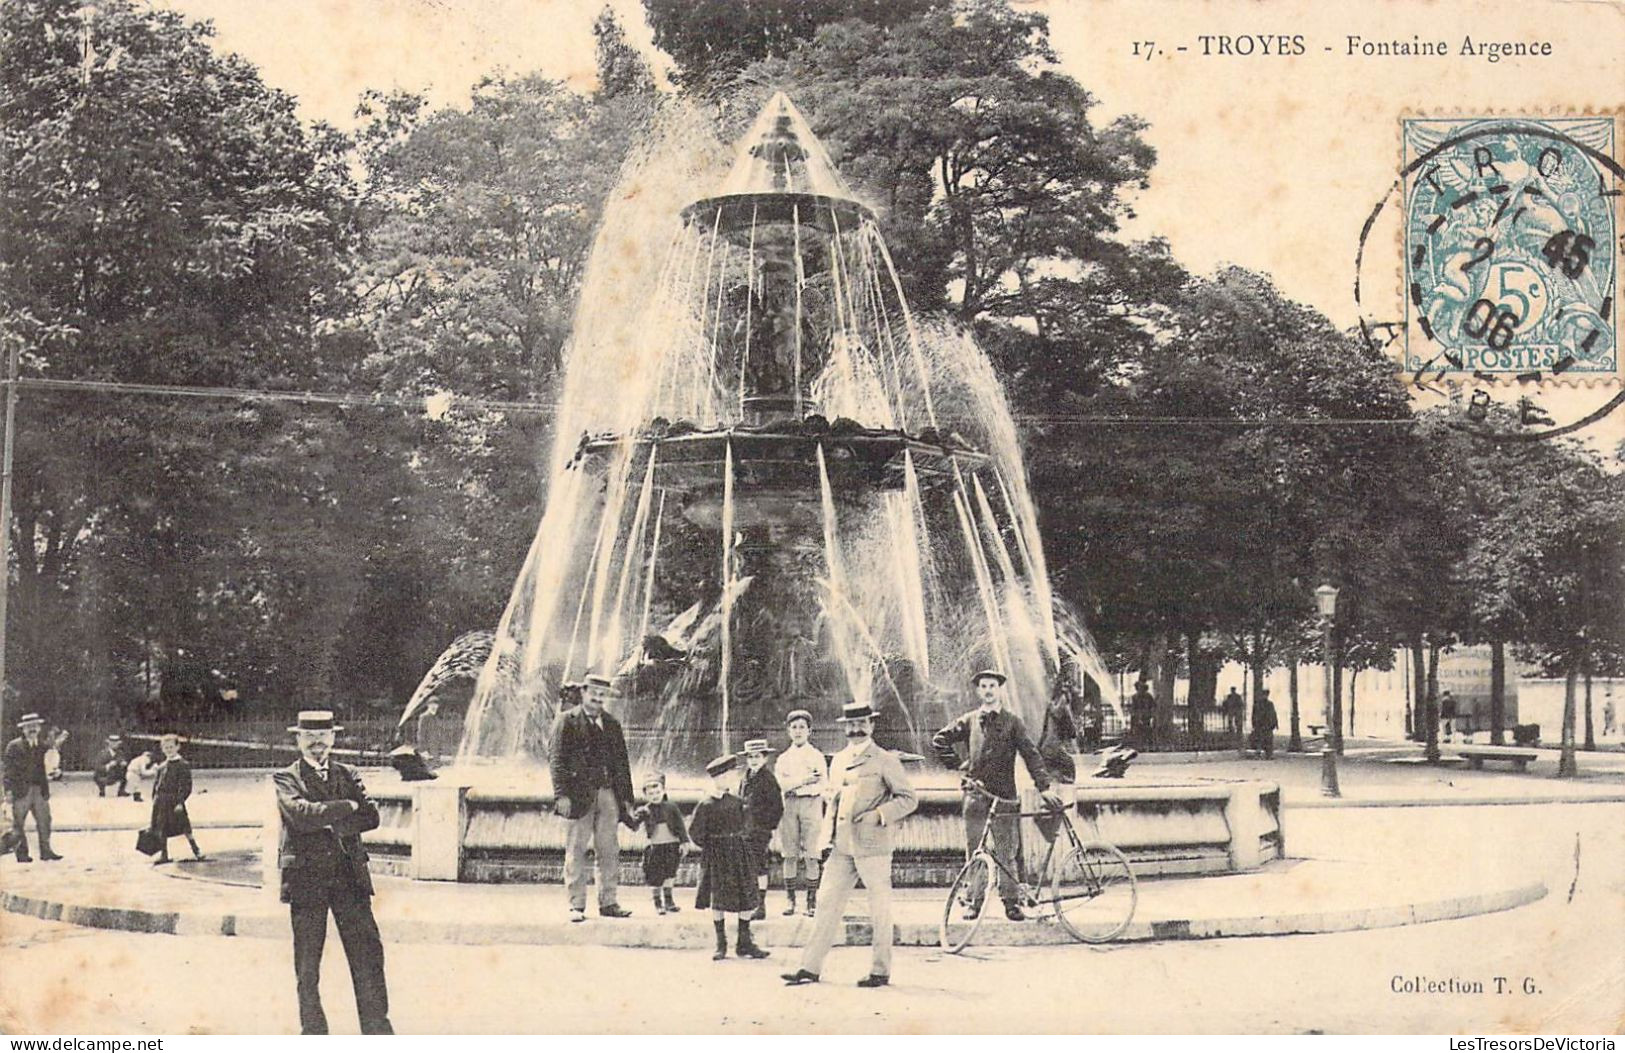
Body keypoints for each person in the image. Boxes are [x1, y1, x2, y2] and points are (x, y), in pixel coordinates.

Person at [782, 700, 917, 989]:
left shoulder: (885, 759)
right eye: (851, 725)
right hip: (842, 846)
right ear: (845, 727)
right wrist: (826, 837)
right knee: (826, 903)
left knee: (879, 908)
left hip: (873, 845)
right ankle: (809, 967)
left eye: (862, 723)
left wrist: (880, 815)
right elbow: (832, 798)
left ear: (872, 725)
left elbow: (908, 799)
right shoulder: (840, 759)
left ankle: (880, 971)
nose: (856, 729)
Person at [273, 710, 392, 1035]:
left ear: (333, 739)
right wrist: (346, 807)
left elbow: (371, 817)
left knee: (368, 956)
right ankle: (314, 1034)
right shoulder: (286, 778)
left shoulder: (347, 773)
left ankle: (378, 1032)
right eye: (310, 738)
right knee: (308, 965)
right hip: (306, 879)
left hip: (349, 877)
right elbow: (300, 815)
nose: (317, 744)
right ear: (298, 740)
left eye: (323, 737)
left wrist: (326, 817)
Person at [931, 670, 1063, 921]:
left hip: (1004, 797)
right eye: (984, 686)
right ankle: (974, 902)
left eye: (993, 685)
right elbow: (940, 740)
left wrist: (1043, 787)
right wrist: (958, 763)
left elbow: (1031, 755)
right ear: (978, 691)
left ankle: (1011, 902)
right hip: (975, 796)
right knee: (975, 851)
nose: (989, 690)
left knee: (1006, 852)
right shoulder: (970, 720)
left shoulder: (1013, 723)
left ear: (1000, 689)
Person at [549, 673, 636, 923]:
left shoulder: (611, 724)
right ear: (583, 693)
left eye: (602, 694)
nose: (597, 698)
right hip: (578, 795)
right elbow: (556, 761)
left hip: (608, 794)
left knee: (609, 850)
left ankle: (609, 901)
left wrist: (627, 799)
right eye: (593, 693)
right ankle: (576, 905)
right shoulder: (566, 721)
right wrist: (561, 795)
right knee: (576, 849)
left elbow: (622, 764)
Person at [689, 754, 769, 961]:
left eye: (732, 774)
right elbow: (695, 832)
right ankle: (721, 943)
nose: (731, 778)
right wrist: (712, 845)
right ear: (717, 778)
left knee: (746, 897)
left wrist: (743, 844)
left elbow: (748, 825)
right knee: (718, 899)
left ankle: (744, 942)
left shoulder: (737, 802)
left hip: (739, 854)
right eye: (727, 775)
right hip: (717, 857)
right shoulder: (706, 805)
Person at [774, 708, 828, 917]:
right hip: (789, 805)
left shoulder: (816, 756)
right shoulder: (783, 758)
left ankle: (811, 901)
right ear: (788, 731)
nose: (798, 731)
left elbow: (823, 783)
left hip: (812, 803)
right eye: (794, 727)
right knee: (789, 854)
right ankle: (790, 900)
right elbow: (781, 784)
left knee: (812, 854)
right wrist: (803, 781)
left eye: (802, 727)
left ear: (809, 731)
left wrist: (797, 784)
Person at [4, 713, 62, 862]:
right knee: (18, 823)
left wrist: (56, 772)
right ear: (22, 729)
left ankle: (46, 851)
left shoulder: (42, 746)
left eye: (35, 726)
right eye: (29, 727)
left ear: (39, 728)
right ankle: (22, 853)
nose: (32, 729)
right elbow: (8, 770)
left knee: (45, 821)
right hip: (20, 790)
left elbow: (49, 765)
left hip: (39, 790)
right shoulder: (13, 746)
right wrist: (8, 791)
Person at [629, 772, 689, 915]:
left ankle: (669, 901)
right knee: (655, 875)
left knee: (670, 873)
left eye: (657, 792)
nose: (655, 795)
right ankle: (657, 902)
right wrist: (628, 815)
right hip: (655, 847)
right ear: (645, 795)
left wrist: (684, 842)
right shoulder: (645, 810)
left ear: (664, 791)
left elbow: (680, 826)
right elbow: (634, 825)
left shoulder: (672, 807)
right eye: (651, 793)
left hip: (671, 846)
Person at [740, 739, 783, 921]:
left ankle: (760, 904)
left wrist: (766, 826)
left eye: (757, 756)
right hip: (745, 829)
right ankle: (751, 901)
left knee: (759, 867)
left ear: (765, 758)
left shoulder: (768, 779)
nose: (754, 760)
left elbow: (777, 807)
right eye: (750, 757)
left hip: (759, 830)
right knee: (749, 866)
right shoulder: (746, 776)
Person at [1034, 681, 1082, 843]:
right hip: (1055, 749)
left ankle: (1044, 812)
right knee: (1069, 769)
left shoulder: (1050, 706)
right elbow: (1072, 731)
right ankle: (1055, 814)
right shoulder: (1064, 706)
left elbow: (1045, 730)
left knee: (1051, 780)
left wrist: (1038, 749)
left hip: (1045, 748)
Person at [149, 733, 204, 864]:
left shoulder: (182, 765)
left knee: (185, 826)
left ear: (177, 747)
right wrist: (154, 798)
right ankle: (164, 854)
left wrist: (180, 801)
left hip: (174, 801)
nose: (169, 750)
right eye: (166, 748)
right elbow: (157, 784)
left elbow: (186, 786)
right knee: (161, 828)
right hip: (161, 801)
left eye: (171, 747)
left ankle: (197, 851)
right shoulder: (162, 766)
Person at [1251, 688, 1278, 760]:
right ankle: (1258, 754)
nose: (1265, 696)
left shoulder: (1270, 704)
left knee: (1269, 740)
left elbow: (1273, 714)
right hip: (1260, 725)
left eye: (1266, 695)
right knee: (1259, 740)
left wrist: (1275, 723)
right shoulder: (1257, 704)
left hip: (1268, 725)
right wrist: (1254, 723)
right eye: (1264, 695)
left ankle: (1269, 755)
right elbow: (1254, 714)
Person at [1129, 679, 1156, 749]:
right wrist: (1135, 716)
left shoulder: (1148, 696)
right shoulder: (1134, 697)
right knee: (1139, 732)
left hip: (1146, 717)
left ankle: (1149, 746)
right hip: (1138, 717)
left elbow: (1153, 706)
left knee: (1148, 731)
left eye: (1142, 688)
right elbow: (1133, 708)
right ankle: (1139, 746)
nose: (1140, 690)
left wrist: (1152, 715)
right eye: (1138, 688)